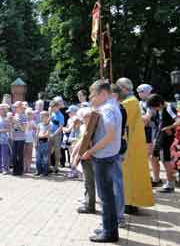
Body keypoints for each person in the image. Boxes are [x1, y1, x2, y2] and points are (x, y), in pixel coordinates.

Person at [81, 80, 121, 243]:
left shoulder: (106, 110)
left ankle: (109, 232)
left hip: (103, 157)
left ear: (103, 94)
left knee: (106, 197)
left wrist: (90, 151)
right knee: (108, 196)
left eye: (93, 96)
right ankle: (109, 228)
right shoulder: (113, 106)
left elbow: (110, 135)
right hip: (109, 155)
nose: (91, 99)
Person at [116, 78, 155, 213]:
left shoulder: (130, 102)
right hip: (132, 141)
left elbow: (122, 121)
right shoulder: (130, 101)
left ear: (124, 89)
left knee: (129, 174)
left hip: (131, 143)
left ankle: (129, 202)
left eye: (118, 88)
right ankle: (129, 202)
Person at [147, 93, 180, 193]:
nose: (155, 110)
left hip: (166, 139)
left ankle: (170, 185)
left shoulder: (169, 107)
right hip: (159, 137)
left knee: (165, 161)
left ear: (159, 103)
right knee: (153, 158)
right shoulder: (161, 108)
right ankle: (157, 180)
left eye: (154, 107)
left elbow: (179, 121)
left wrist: (169, 128)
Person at [110, 84, 129, 227]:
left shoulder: (118, 109)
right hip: (116, 147)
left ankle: (118, 217)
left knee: (116, 184)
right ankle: (117, 216)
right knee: (115, 183)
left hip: (115, 149)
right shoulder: (118, 108)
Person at [73, 107, 96, 214]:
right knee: (88, 181)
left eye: (88, 116)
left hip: (90, 157)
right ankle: (88, 202)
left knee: (89, 182)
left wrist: (78, 155)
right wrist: (75, 154)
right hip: (86, 156)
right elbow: (81, 142)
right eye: (85, 117)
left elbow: (87, 143)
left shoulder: (93, 128)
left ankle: (90, 206)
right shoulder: (85, 128)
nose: (86, 118)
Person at [137, 84, 160, 186]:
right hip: (143, 131)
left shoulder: (151, 102)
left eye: (141, 91)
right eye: (138, 91)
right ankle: (150, 178)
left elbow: (147, 119)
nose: (139, 93)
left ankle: (155, 179)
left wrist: (136, 119)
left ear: (148, 92)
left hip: (150, 131)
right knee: (146, 156)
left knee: (150, 156)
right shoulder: (140, 103)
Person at [12, 101, 27, 175]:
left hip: (20, 138)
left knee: (19, 155)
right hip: (14, 138)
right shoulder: (15, 115)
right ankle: (15, 170)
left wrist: (17, 123)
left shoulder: (24, 116)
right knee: (14, 155)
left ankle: (20, 170)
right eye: (14, 107)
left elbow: (24, 129)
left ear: (20, 107)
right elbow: (13, 127)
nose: (14, 108)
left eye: (16, 107)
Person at [49, 99, 64, 173]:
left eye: (54, 107)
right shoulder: (52, 113)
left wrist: (53, 134)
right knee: (49, 151)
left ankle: (56, 167)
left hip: (57, 135)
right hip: (51, 134)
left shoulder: (60, 115)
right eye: (52, 107)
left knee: (57, 151)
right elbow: (48, 122)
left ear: (58, 107)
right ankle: (48, 167)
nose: (52, 109)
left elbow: (61, 128)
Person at [0, 104, 11, 174]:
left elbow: (8, 129)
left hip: (4, 139)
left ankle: (5, 169)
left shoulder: (6, 119)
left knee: (4, 154)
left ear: (4, 110)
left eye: (1, 109)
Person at [35, 111, 51, 176]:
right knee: (38, 158)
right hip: (39, 142)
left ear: (47, 117)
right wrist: (36, 142)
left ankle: (45, 172)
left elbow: (47, 135)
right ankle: (38, 171)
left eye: (43, 116)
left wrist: (40, 135)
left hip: (45, 143)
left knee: (45, 158)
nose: (41, 118)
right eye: (41, 116)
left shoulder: (49, 125)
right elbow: (37, 133)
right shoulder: (39, 124)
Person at [24, 108, 37, 173]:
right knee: (24, 153)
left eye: (30, 114)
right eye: (28, 114)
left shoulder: (33, 122)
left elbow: (36, 129)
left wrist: (33, 128)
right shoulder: (23, 121)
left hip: (30, 139)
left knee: (29, 154)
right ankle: (24, 167)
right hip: (23, 139)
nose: (29, 115)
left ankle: (28, 167)